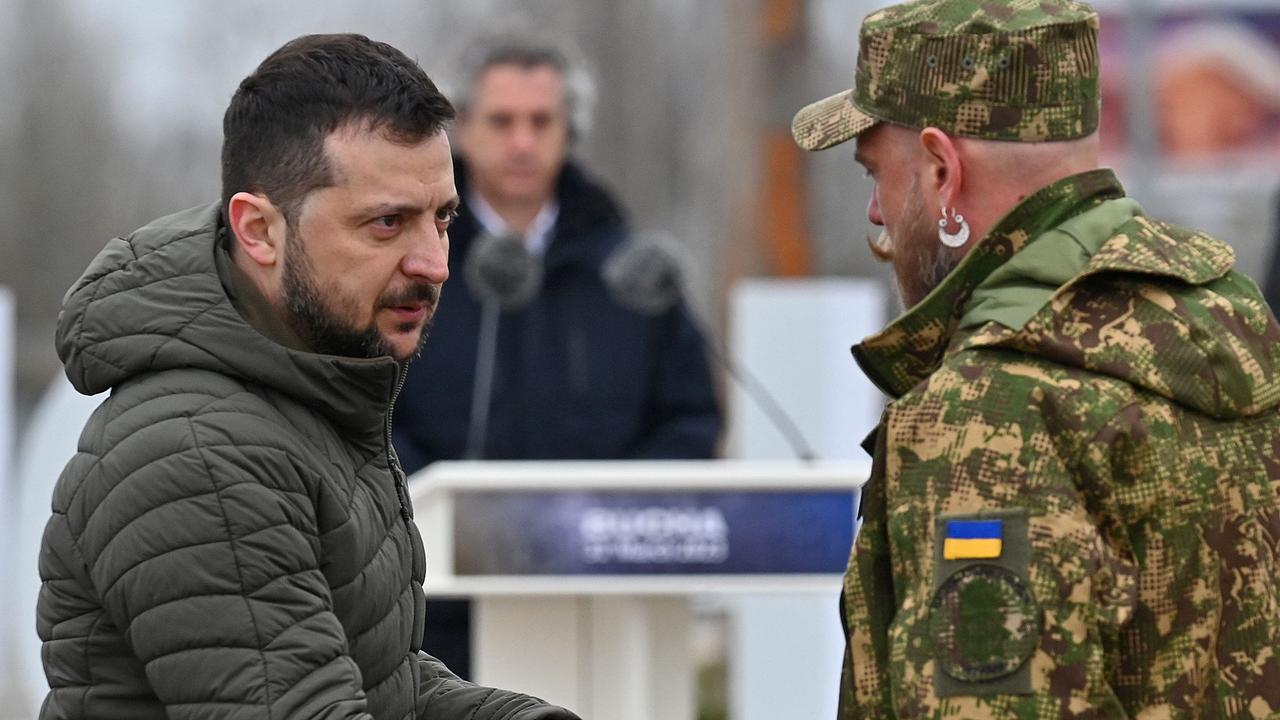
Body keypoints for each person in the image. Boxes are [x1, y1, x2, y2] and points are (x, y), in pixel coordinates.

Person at [36, 33, 578, 720]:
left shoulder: (312, 388)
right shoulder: (199, 451)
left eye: (441, 219)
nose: (435, 263)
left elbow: (384, 680)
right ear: (259, 230)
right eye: (387, 224)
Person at [791, 0, 1280, 716]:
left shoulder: (989, 412)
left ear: (941, 172)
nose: (876, 213)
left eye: (876, 174)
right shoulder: (1235, 327)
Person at [391, 37, 722, 677]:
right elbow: (369, 408)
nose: (522, 142)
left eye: (541, 121)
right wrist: (441, 510)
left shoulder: (631, 272)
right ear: (460, 130)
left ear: (572, 130)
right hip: (435, 626)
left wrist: (613, 517)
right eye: (501, 121)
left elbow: (690, 420)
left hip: (608, 624)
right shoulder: (410, 269)